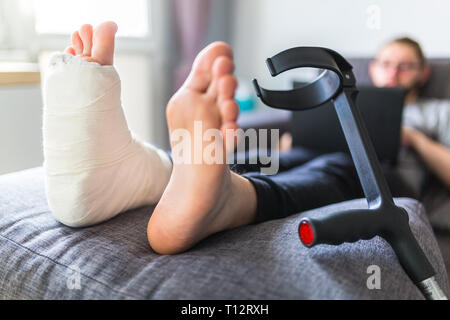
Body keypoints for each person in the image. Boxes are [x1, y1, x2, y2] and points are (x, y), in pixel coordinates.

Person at [42, 22, 447, 256]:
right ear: (374, 66)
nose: (393, 73)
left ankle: (230, 199)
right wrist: (288, 145)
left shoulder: (435, 111)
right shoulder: (343, 93)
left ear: (422, 74)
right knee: (263, 153)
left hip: (386, 174)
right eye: (387, 64)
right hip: (311, 149)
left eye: (405, 67)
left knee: (335, 166)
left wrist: (412, 138)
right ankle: (144, 173)